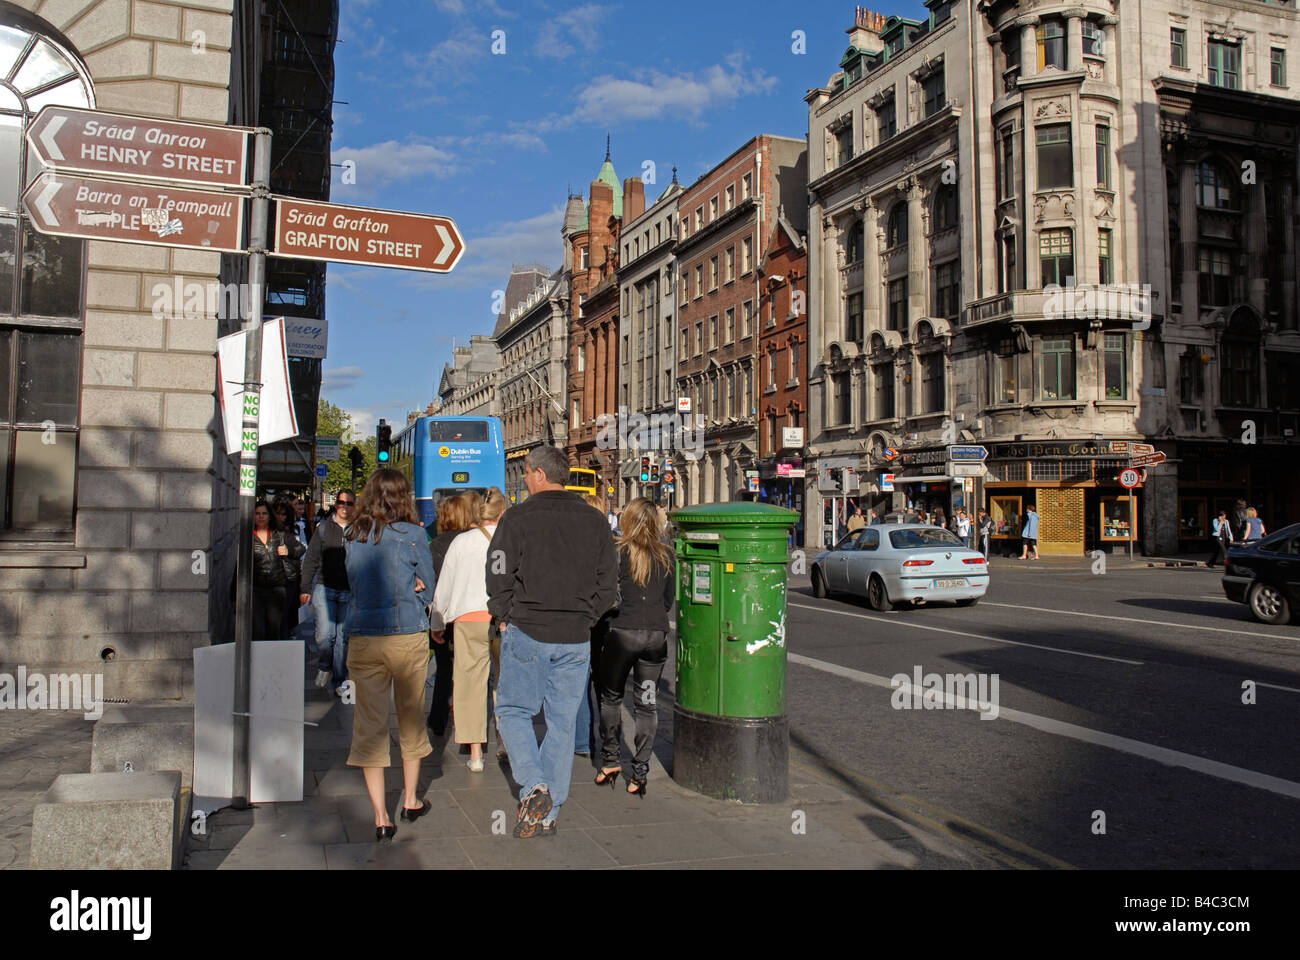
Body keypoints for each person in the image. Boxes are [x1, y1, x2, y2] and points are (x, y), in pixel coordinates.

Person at [487, 446, 619, 839]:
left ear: (539, 474)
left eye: (526, 473)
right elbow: (607, 584)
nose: (524, 480)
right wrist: (587, 617)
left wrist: (505, 611)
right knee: (562, 724)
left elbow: (497, 569)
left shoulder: (516, 517)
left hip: (528, 628)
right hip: (575, 637)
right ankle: (547, 814)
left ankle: (534, 787)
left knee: (512, 711)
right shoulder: (595, 522)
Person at [343, 468, 437, 842]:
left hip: (364, 636)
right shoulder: (414, 535)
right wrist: (415, 588)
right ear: (403, 497)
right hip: (407, 635)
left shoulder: (353, 534)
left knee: (369, 725)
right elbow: (429, 587)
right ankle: (411, 799)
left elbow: (352, 583)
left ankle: (381, 816)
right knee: (411, 716)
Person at [595, 498, 675, 797]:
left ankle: (612, 759)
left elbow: (608, 597)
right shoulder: (667, 553)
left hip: (622, 634)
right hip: (655, 637)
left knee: (611, 698)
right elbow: (669, 598)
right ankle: (639, 772)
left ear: (627, 520)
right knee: (647, 704)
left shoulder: (619, 551)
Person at [430, 488, 507, 773]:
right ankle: (505, 739)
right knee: (504, 682)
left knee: (470, 685)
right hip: (502, 621)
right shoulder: (511, 540)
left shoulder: (461, 542)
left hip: (467, 621)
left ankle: (476, 753)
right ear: (502, 512)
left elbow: (445, 586)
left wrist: (437, 624)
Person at [426, 493, 477, 737]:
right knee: (470, 672)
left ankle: (438, 719)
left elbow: (435, 583)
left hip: (444, 615)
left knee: (444, 669)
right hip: (469, 614)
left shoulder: (436, 544)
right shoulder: (472, 541)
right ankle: (468, 725)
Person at [300, 489, 356, 695]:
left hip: (350, 591)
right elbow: (311, 559)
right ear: (336, 505)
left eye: (350, 503)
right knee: (325, 635)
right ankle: (325, 665)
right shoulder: (323, 529)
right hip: (325, 588)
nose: (345, 507)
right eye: (341, 502)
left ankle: (339, 680)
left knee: (343, 638)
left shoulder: (359, 530)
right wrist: (305, 588)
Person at [229, 500, 292, 644]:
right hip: (256, 590)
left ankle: (270, 663)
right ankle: (257, 663)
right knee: (257, 631)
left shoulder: (279, 535)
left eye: (264, 513)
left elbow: (300, 549)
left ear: (270, 516)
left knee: (273, 632)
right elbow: (240, 565)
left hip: (277, 590)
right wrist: (233, 594)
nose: (261, 516)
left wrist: (288, 551)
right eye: (257, 513)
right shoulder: (248, 537)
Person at [272, 496, 307, 641]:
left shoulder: (293, 529)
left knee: (284, 615)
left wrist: (289, 551)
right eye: (278, 513)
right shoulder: (269, 530)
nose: (281, 517)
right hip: (272, 578)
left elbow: (302, 548)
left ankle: (284, 641)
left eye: (284, 513)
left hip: (289, 577)